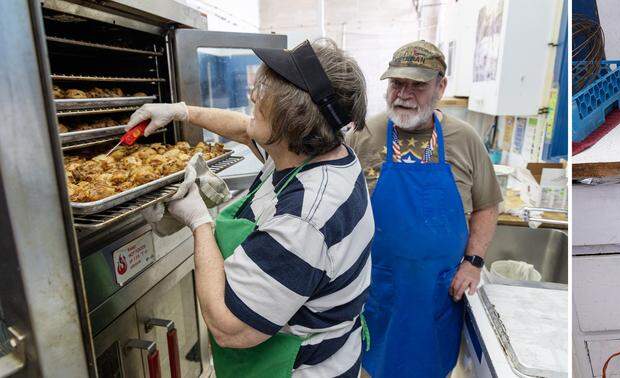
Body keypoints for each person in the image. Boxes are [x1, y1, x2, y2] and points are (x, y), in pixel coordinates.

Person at [131, 39, 373, 377]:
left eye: (263, 91)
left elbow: (230, 328)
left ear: (293, 117)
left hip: (302, 367)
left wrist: (199, 221)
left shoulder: (304, 217)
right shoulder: (311, 147)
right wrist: (179, 111)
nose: (253, 96)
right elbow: (244, 128)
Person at [350, 40, 502, 377]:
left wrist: (473, 263)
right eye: (396, 83)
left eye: (417, 85)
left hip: (438, 291)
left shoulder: (465, 139)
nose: (404, 93)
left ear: (441, 86)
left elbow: (488, 206)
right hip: (380, 288)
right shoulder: (365, 135)